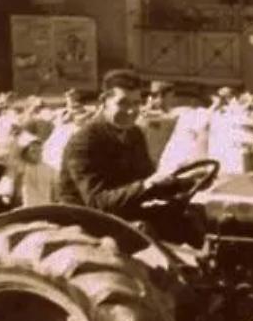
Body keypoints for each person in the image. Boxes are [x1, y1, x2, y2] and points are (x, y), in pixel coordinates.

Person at [58, 69, 186, 222]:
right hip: (85, 220)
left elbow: (146, 178)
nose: (131, 111)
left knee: (189, 215)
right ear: (104, 101)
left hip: (122, 215)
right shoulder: (84, 140)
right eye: (123, 103)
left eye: (136, 103)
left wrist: (181, 182)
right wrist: (147, 185)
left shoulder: (134, 134)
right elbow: (97, 201)